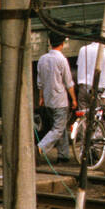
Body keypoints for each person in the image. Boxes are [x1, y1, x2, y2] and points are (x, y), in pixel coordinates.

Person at [36, 34, 77, 162]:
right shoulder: (62, 60)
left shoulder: (42, 59)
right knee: (58, 129)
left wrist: (41, 97)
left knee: (61, 127)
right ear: (62, 44)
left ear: (50, 43)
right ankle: (39, 148)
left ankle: (63, 155)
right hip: (60, 100)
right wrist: (74, 99)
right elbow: (69, 83)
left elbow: (40, 82)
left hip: (48, 99)